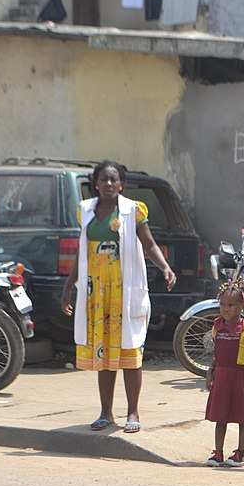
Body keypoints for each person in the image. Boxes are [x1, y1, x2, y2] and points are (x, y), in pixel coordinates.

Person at [61, 160, 176, 434]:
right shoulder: (86, 211)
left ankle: (132, 412)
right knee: (104, 352)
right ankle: (105, 412)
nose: (109, 184)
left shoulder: (133, 211)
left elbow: (148, 243)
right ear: (96, 184)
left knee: (129, 352)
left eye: (114, 180)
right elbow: (81, 252)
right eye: (104, 179)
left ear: (122, 184)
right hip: (96, 293)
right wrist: (68, 286)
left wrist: (165, 267)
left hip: (123, 290)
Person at [204, 278, 244, 467]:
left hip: (240, 377)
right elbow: (215, 353)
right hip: (221, 377)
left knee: (242, 416)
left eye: (231, 305)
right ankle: (218, 452)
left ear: (243, 305)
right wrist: (211, 371)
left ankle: (240, 453)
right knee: (221, 416)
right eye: (222, 304)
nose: (226, 309)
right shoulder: (217, 326)